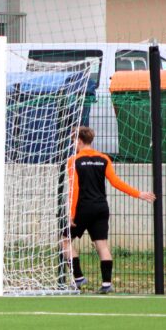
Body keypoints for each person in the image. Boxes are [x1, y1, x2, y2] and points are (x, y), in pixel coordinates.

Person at [62, 126, 156, 294]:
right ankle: (106, 284)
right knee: (102, 245)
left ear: (80, 141)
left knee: (64, 241)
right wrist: (139, 194)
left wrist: (71, 213)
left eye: (73, 141)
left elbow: (74, 189)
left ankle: (78, 277)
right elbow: (115, 182)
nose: (73, 144)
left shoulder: (73, 161)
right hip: (101, 208)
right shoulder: (103, 158)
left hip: (83, 208)